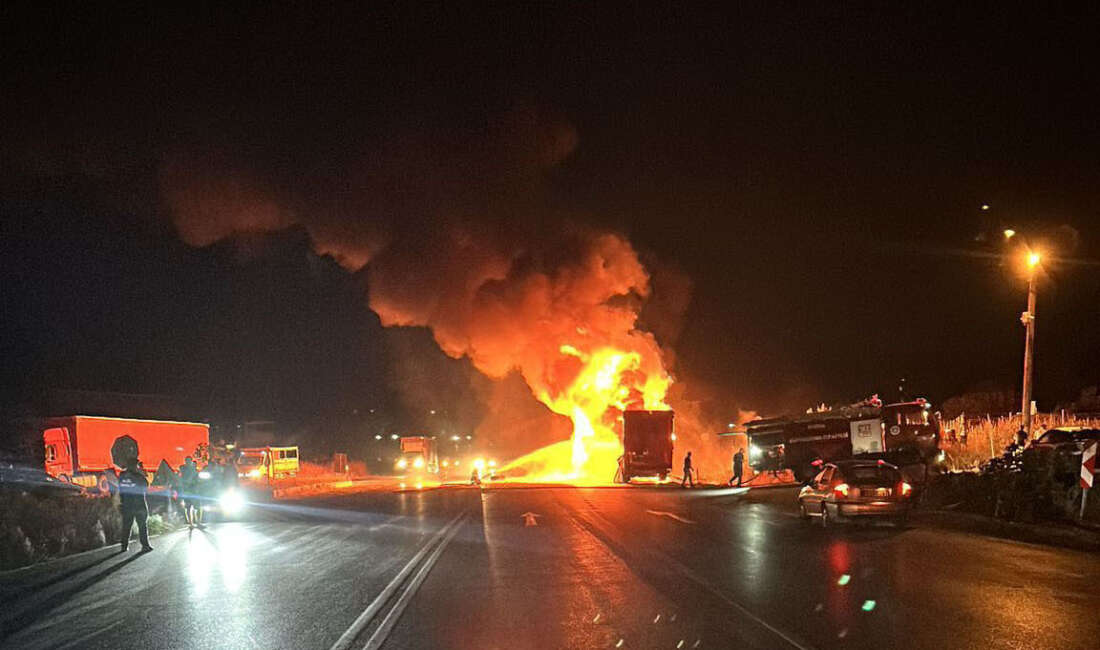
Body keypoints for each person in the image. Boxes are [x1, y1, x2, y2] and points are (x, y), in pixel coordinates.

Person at [118, 459, 153, 552]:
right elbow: (145, 486)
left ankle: (124, 546)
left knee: (126, 526)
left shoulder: (122, 475)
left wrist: (121, 502)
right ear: (135, 465)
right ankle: (145, 545)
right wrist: (141, 473)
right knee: (142, 526)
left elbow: (121, 489)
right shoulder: (138, 476)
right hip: (139, 504)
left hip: (127, 504)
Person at [179, 456, 199, 528]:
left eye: (189, 461)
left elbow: (197, 479)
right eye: (186, 461)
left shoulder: (194, 470)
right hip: (187, 491)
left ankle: (197, 522)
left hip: (194, 491)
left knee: (196, 506)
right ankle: (191, 523)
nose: (188, 462)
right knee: (188, 507)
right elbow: (181, 478)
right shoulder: (183, 469)